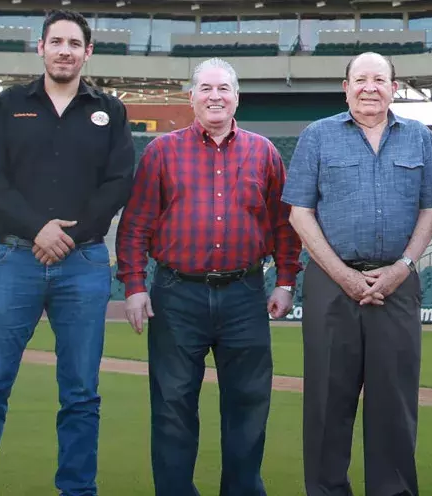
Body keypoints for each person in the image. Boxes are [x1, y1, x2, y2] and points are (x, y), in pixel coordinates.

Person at [0, 10, 137, 496]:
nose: (65, 51)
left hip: (84, 262)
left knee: (80, 392)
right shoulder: (10, 104)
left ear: (88, 52)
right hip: (14, 260)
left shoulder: (110, 111)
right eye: (57, 42)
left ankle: (77, 489)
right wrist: (40, 229)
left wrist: (69, 237)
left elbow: (119, 182)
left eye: (75, 43)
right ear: (41, 47)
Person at [116, 58, 301, 496]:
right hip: (176, 295)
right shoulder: (162, 151)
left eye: (223, 88)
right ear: (192, 97)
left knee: (248, 406)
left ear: (237, 97)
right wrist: (135, 285)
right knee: (172, 407)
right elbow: (136, 225)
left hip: (244, 294)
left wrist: (286, 280)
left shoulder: (264, 153)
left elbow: (284, 225)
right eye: (205, 88)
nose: (214, 96)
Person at [283, 51, 432, 496]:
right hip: (331, 285)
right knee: (326, 402)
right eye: (360, 79)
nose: (369, 87)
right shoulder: (317, 136)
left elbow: (431, 207)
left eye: (379, 79)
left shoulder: (419, 137)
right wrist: (342, 275)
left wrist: (403, 266)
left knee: (394, 403)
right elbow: (300, 213)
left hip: (398, 283)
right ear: (346, 87)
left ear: (394, 87)